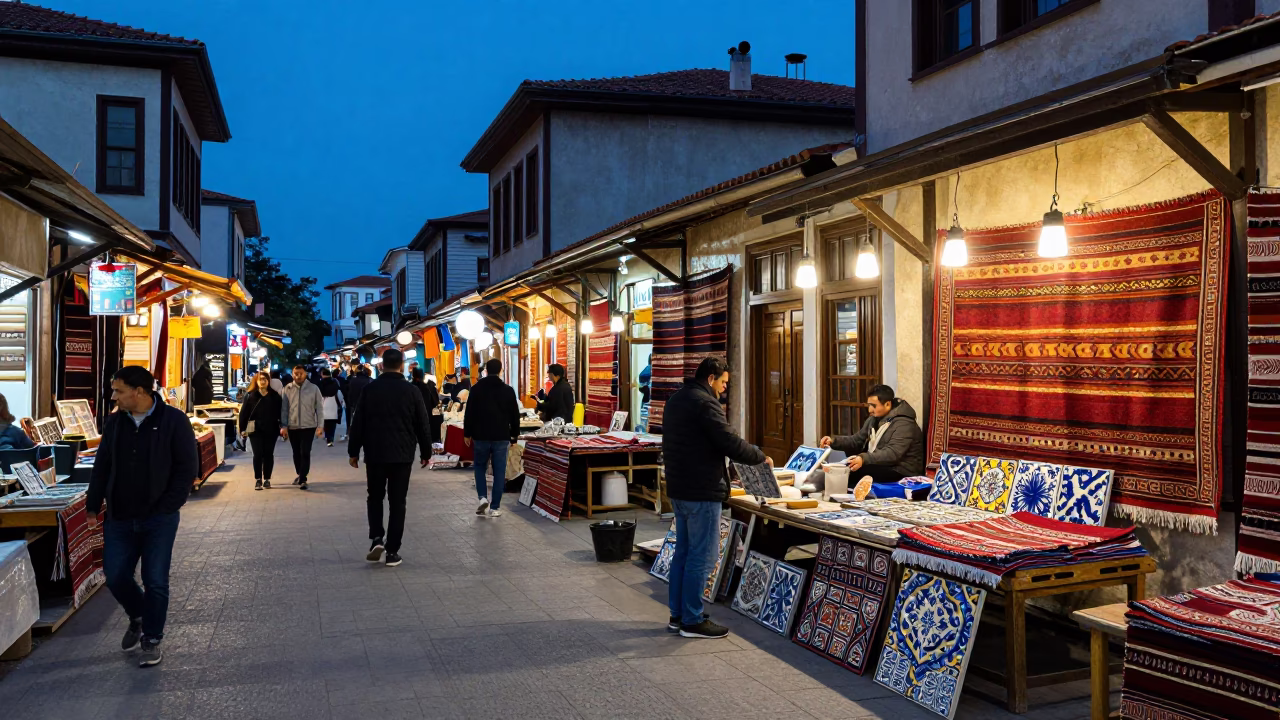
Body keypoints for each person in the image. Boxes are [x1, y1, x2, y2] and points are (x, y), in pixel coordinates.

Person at [87, 366, 197, 668]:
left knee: (156, 580)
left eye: (119, 390)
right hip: (120, 516)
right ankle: (138, 614)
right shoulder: (115, 423)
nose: (114, 396)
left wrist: (169, 504)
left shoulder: (173, 420)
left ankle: (151, 637)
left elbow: (187, 467)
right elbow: (102, 465)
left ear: (139, 391)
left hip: (158, 518)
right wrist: (93, 506)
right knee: (116, 575)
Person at [662, 357, 770, 640]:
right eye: (723, 383)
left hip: (680, 487)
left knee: (684, 554)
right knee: (702, 556)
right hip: (701, 490)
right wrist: (759, 456)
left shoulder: (676, 400)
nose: (723, 389)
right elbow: (728, 441)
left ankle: (679, 615)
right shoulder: (704, 403)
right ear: (711, 378)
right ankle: (693, 620)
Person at [348, 348, 431, 567]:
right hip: (402, 455)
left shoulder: (370, 389)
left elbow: (358, 421)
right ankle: (392, 551)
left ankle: (377, 538)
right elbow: (422, 422)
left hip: (375, 453)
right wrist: (426, 452)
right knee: (397, 502)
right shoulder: (412, 391)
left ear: (381, 365)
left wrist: (353, 451)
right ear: (402, 365)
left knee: (374, 497)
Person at [820, 384, 924, 488]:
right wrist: (833, 441)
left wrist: (864, 459)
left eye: (873, 406)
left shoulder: (904, 423)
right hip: (882, 465)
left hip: (901, 471)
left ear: (887, 404)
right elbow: (856, 441)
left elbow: (892, 453)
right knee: (841, 470)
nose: (870, 410)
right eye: (869, 405)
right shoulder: (873, 420)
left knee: (853, 474)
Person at [463, 358, 520, 518]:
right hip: (501, 435)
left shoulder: (476, 389)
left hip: (480, 435)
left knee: (480, 467)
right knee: (499, 471)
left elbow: (470, 412)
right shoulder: (508, 390)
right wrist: (514, 435)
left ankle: (482, 498)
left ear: (486, 371)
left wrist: (467, 433)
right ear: (501, 370)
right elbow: (514, 415)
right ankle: (495, 507)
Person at [279, 365, 323, 489]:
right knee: (296, 453)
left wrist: (320, 426)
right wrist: (284, 426)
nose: (298, 376)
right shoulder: (287, 388)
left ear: (306, 374)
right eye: (295, 373)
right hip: (292, 426)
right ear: (292, 374)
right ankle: (300, 473)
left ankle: (303, 478)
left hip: (309, 426)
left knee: (305, 452)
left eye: (300, 373)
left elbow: (319, 408)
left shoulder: (314, 389)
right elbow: (284, 409)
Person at [238, 371, 282, 490]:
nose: (262, 381)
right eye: (260, 379)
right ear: (256, 381)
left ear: (268, 381)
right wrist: (242, 429)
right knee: (257, 454)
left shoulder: (275, 396)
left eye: (265, 379)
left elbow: (280, 413)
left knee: (268, 454)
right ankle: (258, 479)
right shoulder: (250, 395)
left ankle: (267, 478)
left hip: (271, 430)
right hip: (255, 430)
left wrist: (283, 427)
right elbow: (244, 414)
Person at [410, 368, 439, 446]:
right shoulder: (426, 387)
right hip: (425, 418)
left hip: (412, 421)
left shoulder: (410, 387)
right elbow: (434, 403)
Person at [318, 369, 345, 447]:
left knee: (326, 424)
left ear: (322, 374)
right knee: (332, 425)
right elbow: (340, 395)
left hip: (323, 405)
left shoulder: (320, 384)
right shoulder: (335, 383)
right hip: (333, 406)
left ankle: (327, 437)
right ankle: (331, 439)